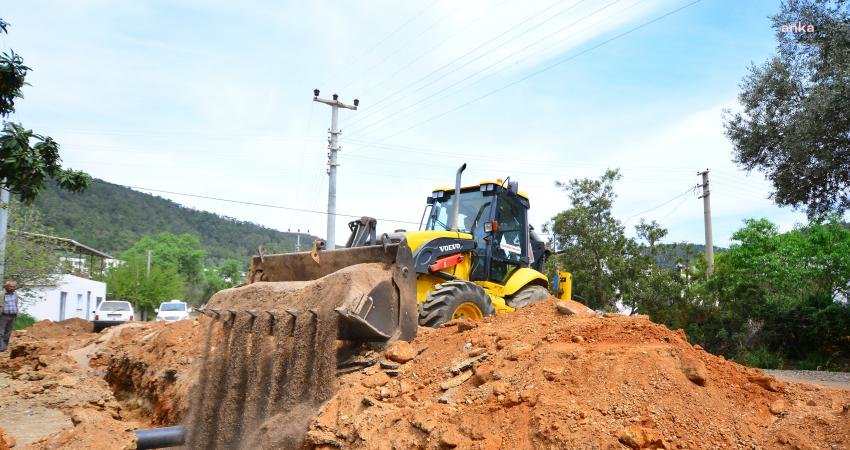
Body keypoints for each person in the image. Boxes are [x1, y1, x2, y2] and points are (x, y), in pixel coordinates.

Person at [0, 280, 19, 352]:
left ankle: (4, 347)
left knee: (8, 332)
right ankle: (1, 348)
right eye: (11, 286)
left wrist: (17, 312)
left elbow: (16, 304)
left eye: (14, 286)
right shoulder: (2, 294)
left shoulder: (15, 294)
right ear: (6, 286)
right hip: (3, 316)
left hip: (13, 316)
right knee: (1, 332)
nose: (13, 288)